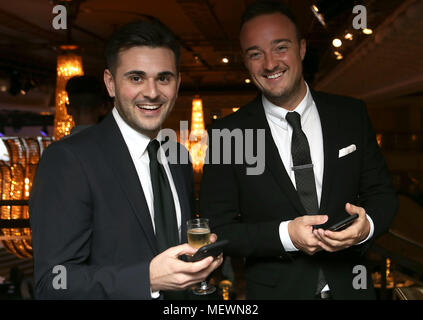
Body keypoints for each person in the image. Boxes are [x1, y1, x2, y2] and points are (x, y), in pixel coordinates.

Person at [200, 1, 397, 299]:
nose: (269, 64)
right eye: (255, 54)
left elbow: (382, 194)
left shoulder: (351, 115)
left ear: (302, 49)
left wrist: (366, 227)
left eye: (280, 47)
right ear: (245, 60)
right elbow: (218, 229)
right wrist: (286, 236)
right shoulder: (227, 134)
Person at [29, 20, 222, 299]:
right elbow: (52, 284)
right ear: (110, 83)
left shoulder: (178, 156)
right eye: (136, 78)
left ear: (177, 84)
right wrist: (147, 279)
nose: (152, 92)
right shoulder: (69, 159)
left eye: (163, 78)